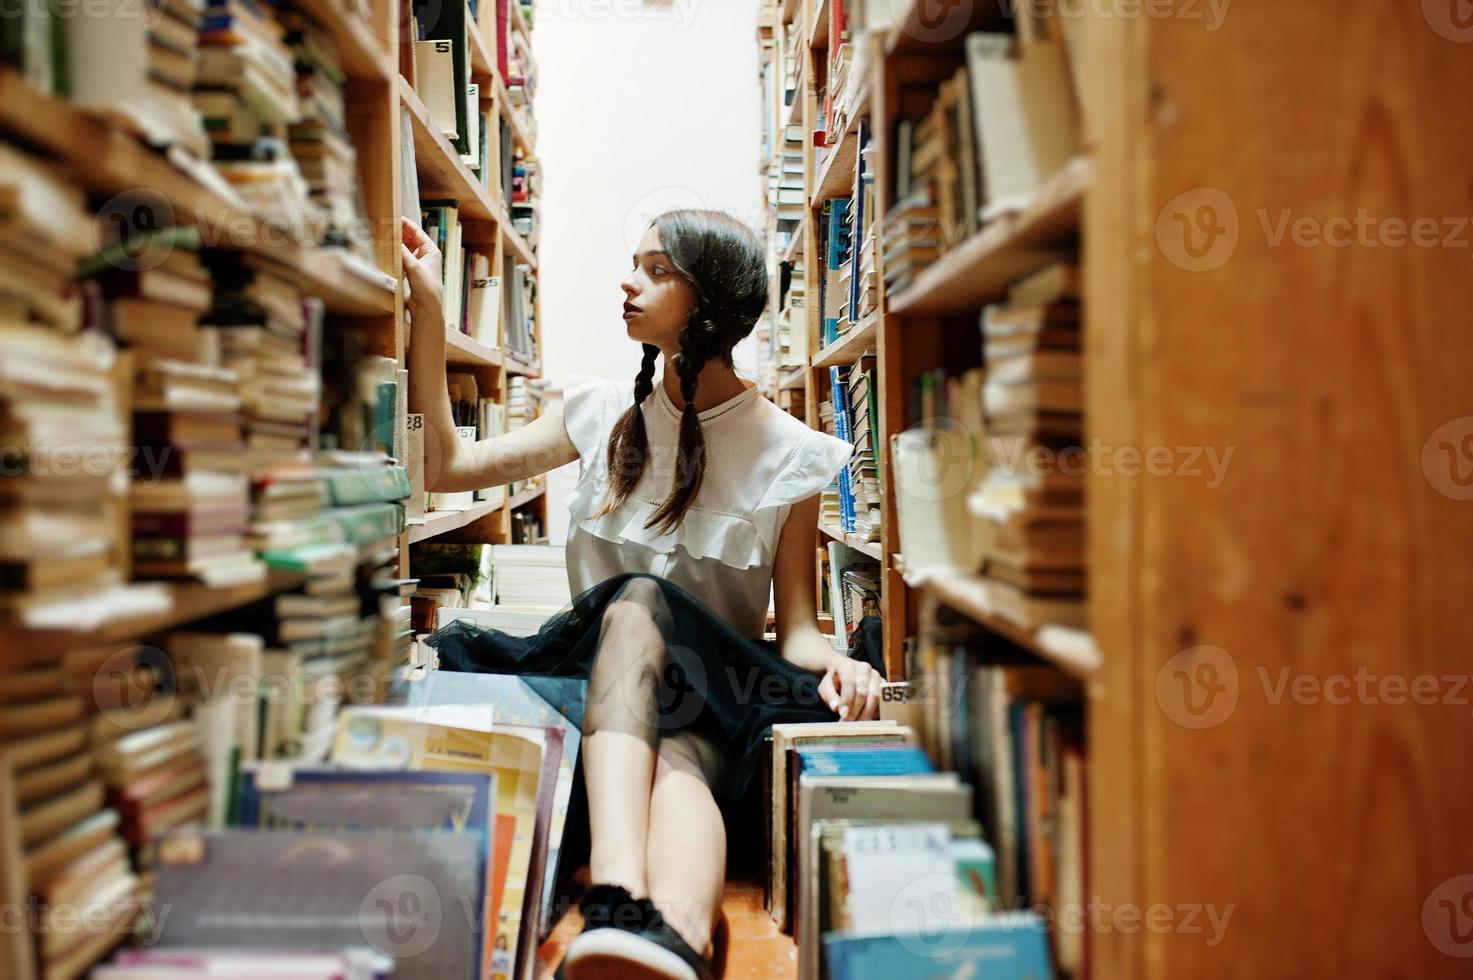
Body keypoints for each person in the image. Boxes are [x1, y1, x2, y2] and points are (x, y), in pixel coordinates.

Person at [401, 208, 882, 980]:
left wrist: (840, 663)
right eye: (633, 263)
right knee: (639, 625)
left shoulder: (796, 452)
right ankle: (648, 922)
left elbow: (792, 627)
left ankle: (648, 928)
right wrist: (428, 309)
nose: (627, 281)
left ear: (713, 299)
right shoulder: (593, 411)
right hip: (588, 698)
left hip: (712, 701)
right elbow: (445, 468)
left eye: (657, 270)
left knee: (671, 708)